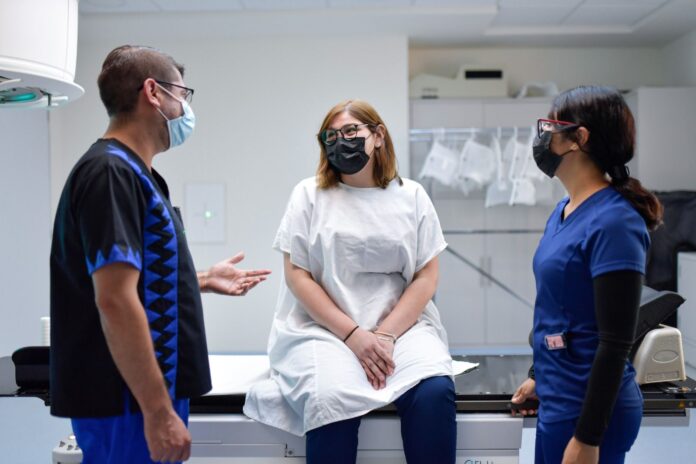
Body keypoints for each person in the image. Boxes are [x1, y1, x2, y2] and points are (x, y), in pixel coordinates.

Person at [49, 45, 271, 464]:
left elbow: (134, 276)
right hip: (125, 400)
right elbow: (115, 299)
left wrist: (199, 279)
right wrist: (156, 411)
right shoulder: (109, 173)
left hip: (141, 394)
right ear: (153, 92)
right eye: (183, 95)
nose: (186, 108)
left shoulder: (137, 174)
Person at [244, 99, 456, 463]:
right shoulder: (309, 195)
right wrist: (354, 335)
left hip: (400, 329)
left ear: (378, 136)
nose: (340, 141)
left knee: (434, 392)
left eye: (350, 131)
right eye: (331, 136)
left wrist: (385, 335)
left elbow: (426, 276)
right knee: (331, 399)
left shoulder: (412, 196)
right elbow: (298, 275)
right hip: (324, 329)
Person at [510, 86, 663, 464]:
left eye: (550, 127)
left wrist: (587, 437)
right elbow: (558, 309)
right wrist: (539, 375)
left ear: (579, 138)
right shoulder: (564, 209)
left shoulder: (615, 222)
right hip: (558, 396)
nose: (542, 138)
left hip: (590, 413)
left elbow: (615, 341)